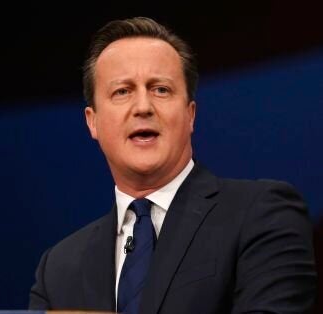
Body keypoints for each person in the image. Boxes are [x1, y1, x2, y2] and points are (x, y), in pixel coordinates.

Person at [28, 17, 317, 314]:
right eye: (122, 91)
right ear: (93, 122)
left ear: (190, 115)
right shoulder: (59, 269)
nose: (143, 107)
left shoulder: (262, 214)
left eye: (161, 90)